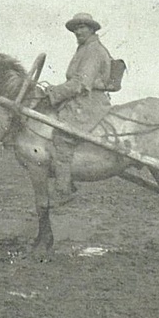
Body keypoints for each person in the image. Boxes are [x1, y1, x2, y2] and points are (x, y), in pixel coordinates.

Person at [44, 13, 114, 204]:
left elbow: (81, 84)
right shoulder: (84, 49)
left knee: (62, 135)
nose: (78, 31)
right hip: (81, 99)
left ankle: (64, 189)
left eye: (82, 27)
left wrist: (54, 93)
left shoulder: (93, 50)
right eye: (76, 28)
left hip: (90, 101)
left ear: (92, 29)